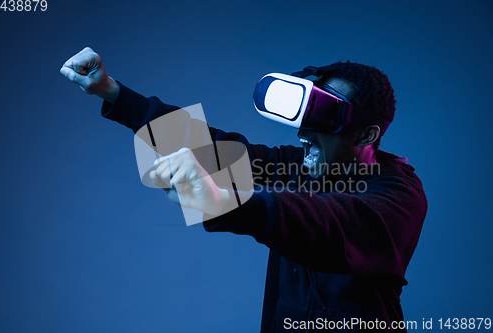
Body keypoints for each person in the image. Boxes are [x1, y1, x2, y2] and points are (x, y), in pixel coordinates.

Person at [60, 47, 427, 332]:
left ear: (366, 134)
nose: (302, 134)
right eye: (305, 118)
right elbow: (211, 147)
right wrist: (112, 92)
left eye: (325, 119)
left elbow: (330, 226)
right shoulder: (295, 167)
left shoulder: (399, 195)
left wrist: (227, 201)